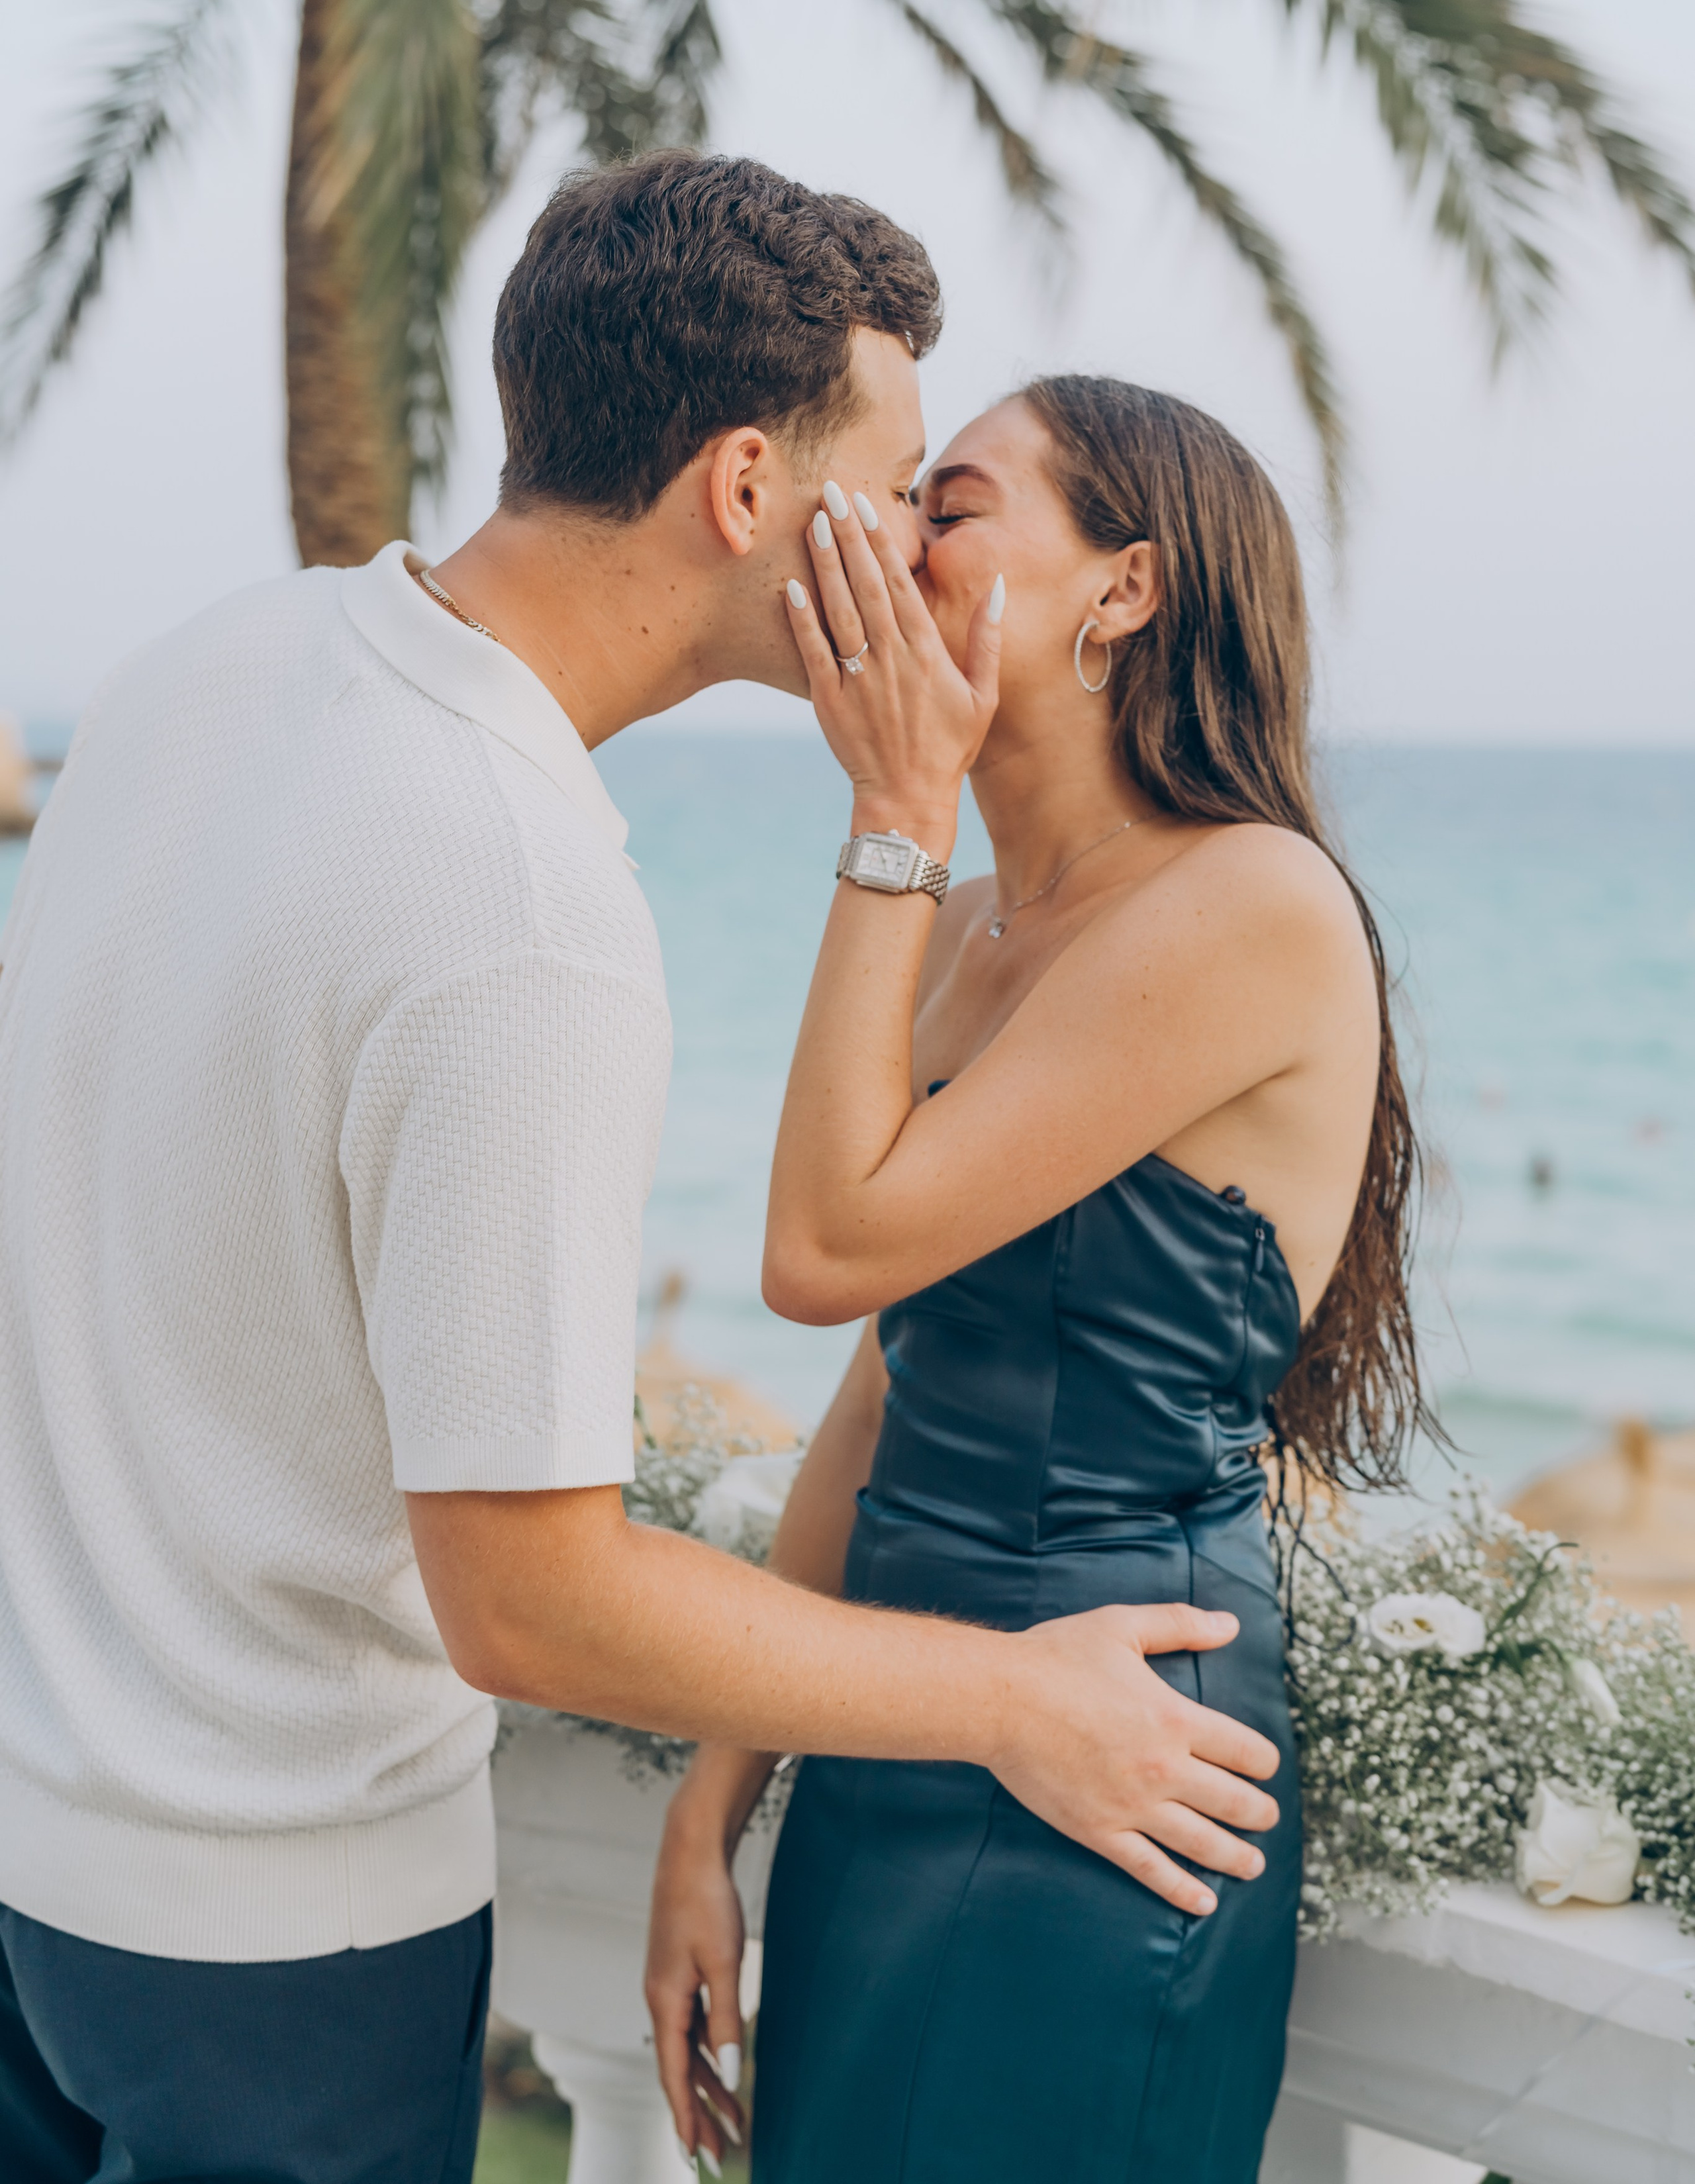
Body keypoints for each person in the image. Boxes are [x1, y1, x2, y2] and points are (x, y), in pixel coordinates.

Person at [0, 157, 1283, 2184]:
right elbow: (530, 1601)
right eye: (900, 483)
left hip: (39, 1860)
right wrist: (1014, 1706)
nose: (917, 548)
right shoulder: (520, 906)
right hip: (276, 1950)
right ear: (749, 489)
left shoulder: (197, 672)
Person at [645, 377, 1426, 2181]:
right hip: (890, 1746)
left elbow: (816, 1252)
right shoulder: (978, 925)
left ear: (1125, 591)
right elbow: (880, 1384)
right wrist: (714, 1806)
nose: (901, 540)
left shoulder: (1254, 903)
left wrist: (897, 804)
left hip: (1114, 1761)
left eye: (960, 503)